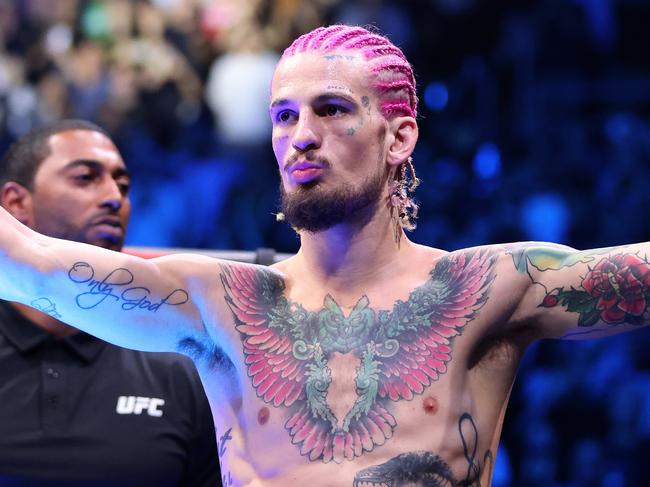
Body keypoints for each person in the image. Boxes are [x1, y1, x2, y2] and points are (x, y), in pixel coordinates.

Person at [0, 25, 647, 486]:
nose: (300, 137)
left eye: (330, 109)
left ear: (399, 136)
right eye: (283, 115)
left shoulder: (485, 287)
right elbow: (30, 268)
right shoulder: (220, 301)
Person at [0, 120, 221, 487]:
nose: (113, 198)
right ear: (16, 203)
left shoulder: (178, 366)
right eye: (86, 177)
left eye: (123, 186)